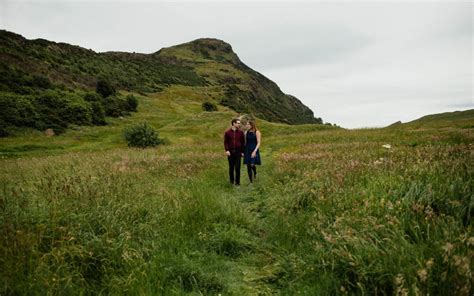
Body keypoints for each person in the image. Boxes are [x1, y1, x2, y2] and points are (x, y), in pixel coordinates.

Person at [224, 118, 245, 186]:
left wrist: (242, 151)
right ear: (234, 123)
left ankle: (237, 183)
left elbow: (243, 143)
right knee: (231, 168)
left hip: (238, 152)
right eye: (238, 123)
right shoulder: (227, 132)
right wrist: (227, 150)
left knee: (238, 168)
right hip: (230, 152)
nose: (239, 124)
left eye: (239, 123)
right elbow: (225, 142)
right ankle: (231, 182)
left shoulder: (241, 132)